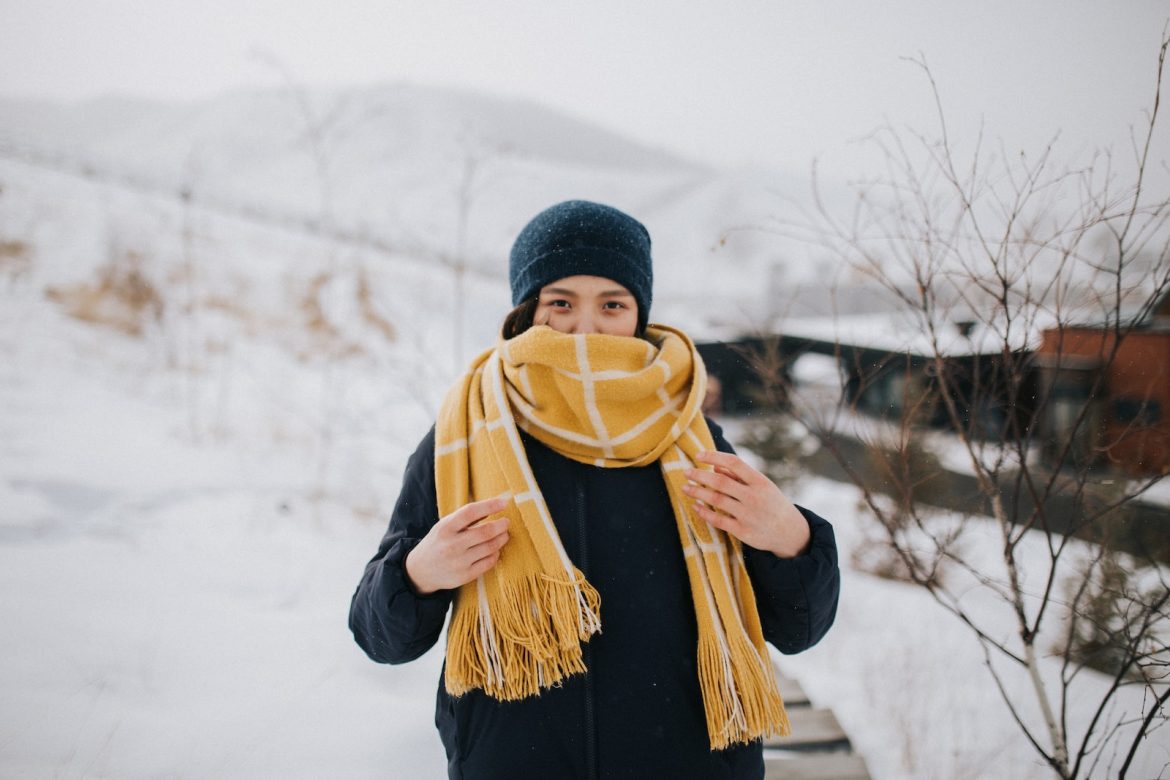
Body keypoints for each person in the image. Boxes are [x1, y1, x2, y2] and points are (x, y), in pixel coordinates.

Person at [349, 200, 840, 779]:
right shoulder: (466, 435)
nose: (586, 326)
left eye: (612, 303)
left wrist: (792, 539)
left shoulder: (690, 435)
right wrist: (417, 575)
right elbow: (377, 635)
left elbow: (798, 629)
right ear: (527, 313)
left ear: (640, 314)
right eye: (561, 302)